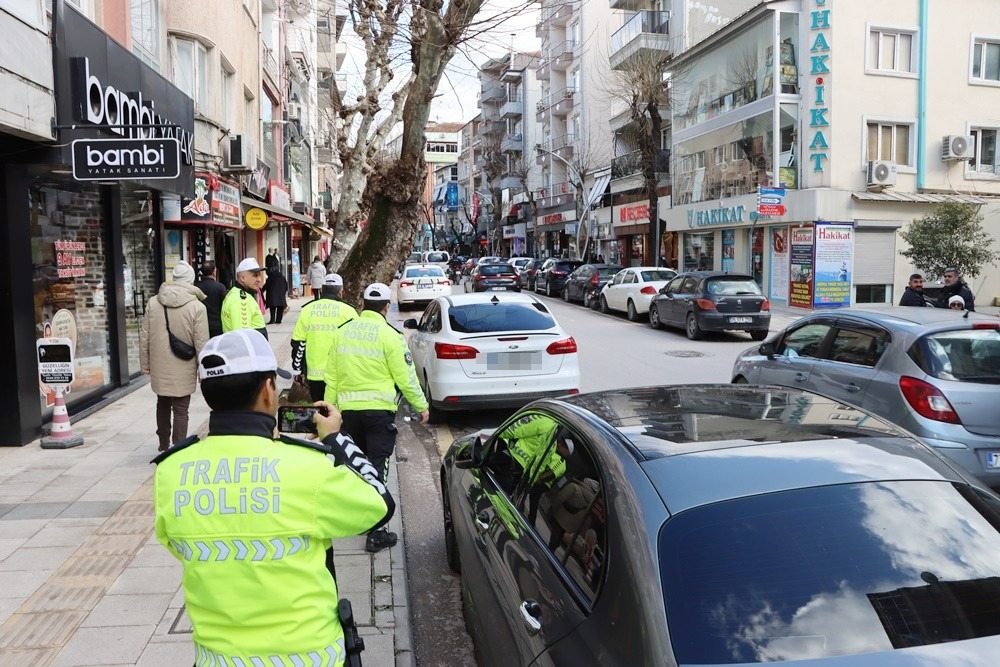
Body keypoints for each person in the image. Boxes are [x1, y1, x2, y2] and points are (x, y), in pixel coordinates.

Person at [153, 329, 394, 666]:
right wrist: (337, 440)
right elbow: (380, 504)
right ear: (268, 390)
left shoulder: (171, 470)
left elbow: (176, 543)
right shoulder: (306, 466)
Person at [325, 282, 429, 552]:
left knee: (357, 466)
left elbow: (332, 377)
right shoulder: (390, 335)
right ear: (386, 306)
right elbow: (405, 377)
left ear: (362, 304)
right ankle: (377, 531)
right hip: (378, 413)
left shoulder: (342, 333)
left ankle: (358, 518)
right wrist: (421, 406)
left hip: (349, 413)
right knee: (377, 466)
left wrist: (328, 410)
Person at [139, 260, 210, 451]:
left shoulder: (154, 302)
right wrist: (203, 371)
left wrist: (145, 363)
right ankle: (178, 448)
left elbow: (144, 335)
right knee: (181, 408)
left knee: (162, 402)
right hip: (184, 363)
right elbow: (201, 342)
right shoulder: (197, 307)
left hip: (159, 363)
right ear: (191, 280)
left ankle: (163, 444)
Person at [291, 273, 357, 401]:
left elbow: (298, 343)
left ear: (321, 290)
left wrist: (298, 371)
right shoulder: (349, 311)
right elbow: (357, 344)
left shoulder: (307, 310)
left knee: (321, 410)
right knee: (338, 413)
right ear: (341, 292)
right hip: (342, 374)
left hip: (315, 376)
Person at [221, 257, 268, 339]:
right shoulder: (241, 300)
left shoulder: (236, 293)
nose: (259, 280)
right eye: (255, 276)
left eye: (259, 275)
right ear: (243, 278)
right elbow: (242, 337)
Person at [194, 260, 227, 337]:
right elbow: (225, 306)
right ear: (214, 272)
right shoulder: (220, 287)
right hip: (218, 325)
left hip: (201, 324)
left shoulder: (196, 287)